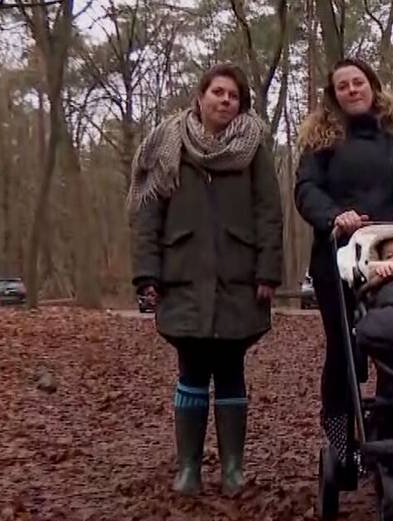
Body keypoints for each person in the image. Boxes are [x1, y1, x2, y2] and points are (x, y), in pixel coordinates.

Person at [294, 56, 393, 481]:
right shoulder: (321, 141)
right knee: (343, 351)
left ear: (372, 85)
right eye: (342, 86)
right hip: (342, 258)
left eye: (358, 82)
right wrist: (335, 217)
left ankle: (392, 439)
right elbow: (306, 189)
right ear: (334, 95)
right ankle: (341, 443)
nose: (352, 90)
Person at [129, 62, 282, 497]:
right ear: (200, 97)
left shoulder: (254, 149)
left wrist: (268, 271)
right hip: (183, 276)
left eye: (233, 95)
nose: (225, 100)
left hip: (239, 277)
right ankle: (189, 469)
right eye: (217, 92)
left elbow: (269, 213)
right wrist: (146, 275)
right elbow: (148, 214)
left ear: (241, 104)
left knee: (232, 370)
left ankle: (233, 470)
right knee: (192, 369)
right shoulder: (169, 143)